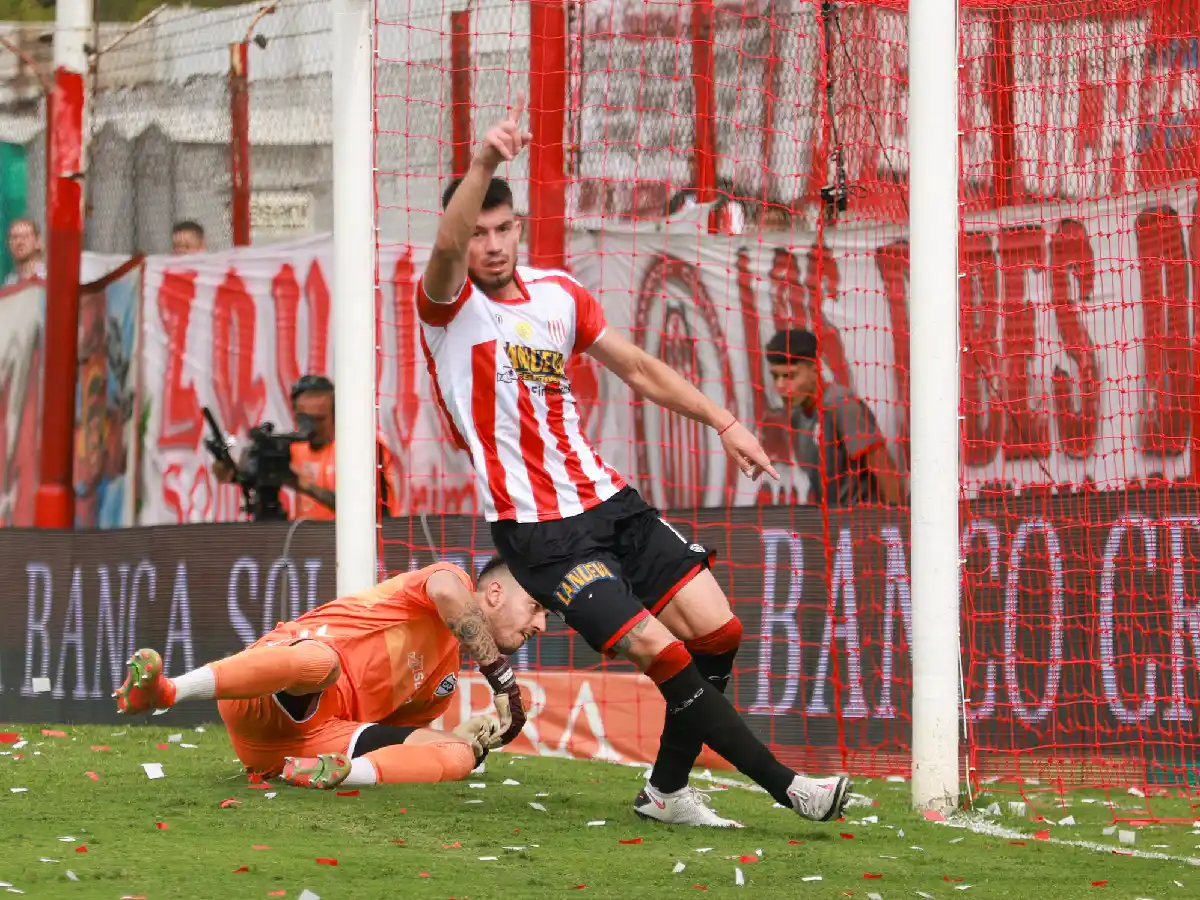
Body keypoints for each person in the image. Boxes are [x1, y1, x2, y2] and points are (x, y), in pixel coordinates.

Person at [417, 94, 851, 828]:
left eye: (501, 228)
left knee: (719, 631)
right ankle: (789, 787)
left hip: (608, 500)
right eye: (476, 232)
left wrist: (725, 422)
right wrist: (486, 159)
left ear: (519, 227)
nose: (489, 244)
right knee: (659, 648)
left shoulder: (559, 296)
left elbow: (640, 370)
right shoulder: (448, 305)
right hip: (540, 533)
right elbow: (446, 242)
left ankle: (666, 792)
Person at [113, 558, 545, 790]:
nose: (541, 626)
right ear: (493, 592)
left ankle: (333, 773)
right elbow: (449, 594)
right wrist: (502, 681)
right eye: (537, 609)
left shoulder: (443, 679)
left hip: (295, 750)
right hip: (270, 691)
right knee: (323, 664)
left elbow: (391, 738)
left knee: (457, 755)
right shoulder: (449, 579)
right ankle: (167, 692)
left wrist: (471, 741)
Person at [212, 374, 395, 520]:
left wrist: (303, 485)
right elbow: (258, 473)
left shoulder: (361, 446)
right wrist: (232, 473)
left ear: (337, 414)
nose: (312, 427)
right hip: (308, 546)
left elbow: (366, 510)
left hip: (355, 546)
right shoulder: (294, 447)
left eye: (320, 419)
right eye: (305, 419)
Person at [765, 329, 906, 506]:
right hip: (833, 522)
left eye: (790, 376)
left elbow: (884, 469)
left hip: (863, 524)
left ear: (814, 368)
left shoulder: (840, 405)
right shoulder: (798, 415)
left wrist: (897, 525)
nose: (780, 386)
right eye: (775, 376)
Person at [4, 218, 45, 285]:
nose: (19, 242)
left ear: (38, 242)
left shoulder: (51, 277)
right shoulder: (9, 282)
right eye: (14, 237)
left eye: (25, 237)